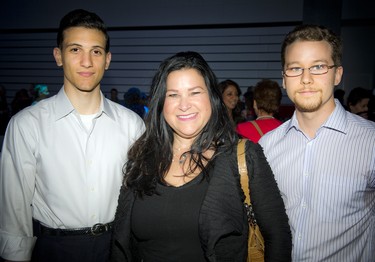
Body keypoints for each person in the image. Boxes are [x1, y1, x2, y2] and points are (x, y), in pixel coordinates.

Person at [110, 51, 292, 261]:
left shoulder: (243, 156)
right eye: (173, 94)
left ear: (212, 98)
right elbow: (121, 244)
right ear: (161, 103)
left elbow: (277, 236)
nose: (184, 104)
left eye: (195, 92)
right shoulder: (142, 159)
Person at [0, 9, 145, 262]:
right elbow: (14, 208)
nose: (87, 62)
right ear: (58, 56)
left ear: (107, 60)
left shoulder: (132, 124)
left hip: (118, 248)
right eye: (75, 50)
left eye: (96, 51)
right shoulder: (26, 125)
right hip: (54, 250)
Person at [259, 24, 375, 261]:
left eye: (319, 67)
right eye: (295, 68)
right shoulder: (266, 146)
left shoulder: (371, 141)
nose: (306, 79)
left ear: (338, 74)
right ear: (284, 78)